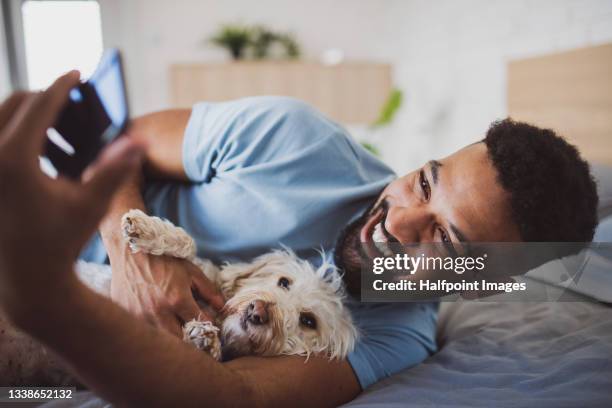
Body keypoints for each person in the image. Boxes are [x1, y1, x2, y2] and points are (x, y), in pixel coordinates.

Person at [0, 71, 598, 407]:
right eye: (424, 182)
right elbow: (119, 141)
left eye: (445, 239)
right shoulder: (293, 137)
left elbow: (235, 400)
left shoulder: (395, 339)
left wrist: (48, 303)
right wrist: (135, 254)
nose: (397, 222)